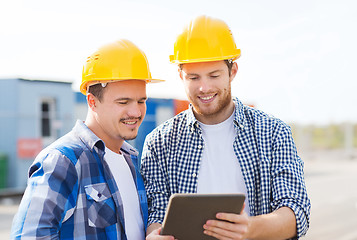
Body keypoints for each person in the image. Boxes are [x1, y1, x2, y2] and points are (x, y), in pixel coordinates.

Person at [141, 15, 311, 240]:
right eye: (193, 77)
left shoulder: (273, 132)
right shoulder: (159, 143)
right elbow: (157, 214)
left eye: (214, 75)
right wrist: (154, 235)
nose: (204, 87)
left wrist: (249, 228)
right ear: (180, 76)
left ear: (233, 72)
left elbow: (295, 212)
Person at [11, 39, 165, 239]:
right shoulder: (64, 161)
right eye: (123, 102)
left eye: (141, 101)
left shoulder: (133, 159)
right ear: (92, 101)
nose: (135, 111)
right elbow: (28, 236)